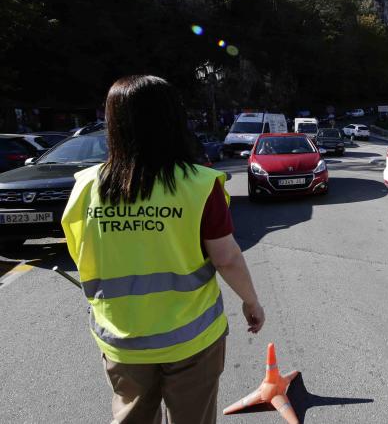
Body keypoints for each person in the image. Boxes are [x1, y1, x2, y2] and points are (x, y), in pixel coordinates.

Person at [61, 75, 265, 424]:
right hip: (192, 338)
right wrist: (251, 301)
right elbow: (227, 258)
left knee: (132, 417)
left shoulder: (86, 187)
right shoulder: (199, 185)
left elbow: (81, 252)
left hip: (121, 336)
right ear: (172, 119)